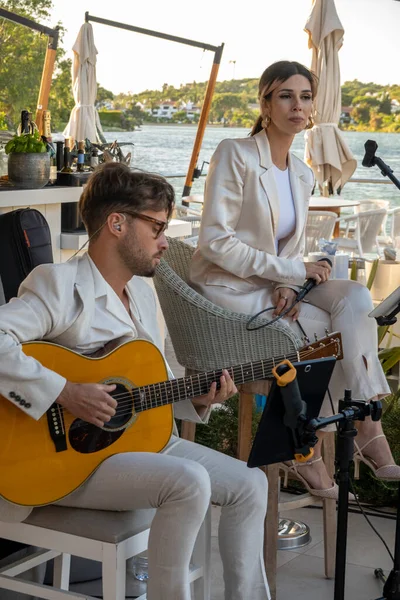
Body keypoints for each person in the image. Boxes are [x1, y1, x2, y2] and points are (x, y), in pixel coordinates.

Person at [0, 162, 270, 600]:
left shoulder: (144, 292)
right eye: (158, 227)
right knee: (188, 481)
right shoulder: (59, 284)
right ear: (117, 223)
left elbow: (152, 383)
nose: (165, 241)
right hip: (63, 459)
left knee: (250, 484)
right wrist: (65, 391)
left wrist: (198, 396)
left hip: (135, 445)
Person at [190, 60, 400, 499]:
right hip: (228, 291)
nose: (297, 106)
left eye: (305, 97)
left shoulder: (302, 173)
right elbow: (215, 242)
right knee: (331, 333)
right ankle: (310, 445)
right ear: (265, 103)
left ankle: (360, 419)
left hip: (272, 286)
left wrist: (288, 280)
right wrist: (291, 272)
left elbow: (283, 248)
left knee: (356, 298)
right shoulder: (237, 153)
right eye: (286, 95)